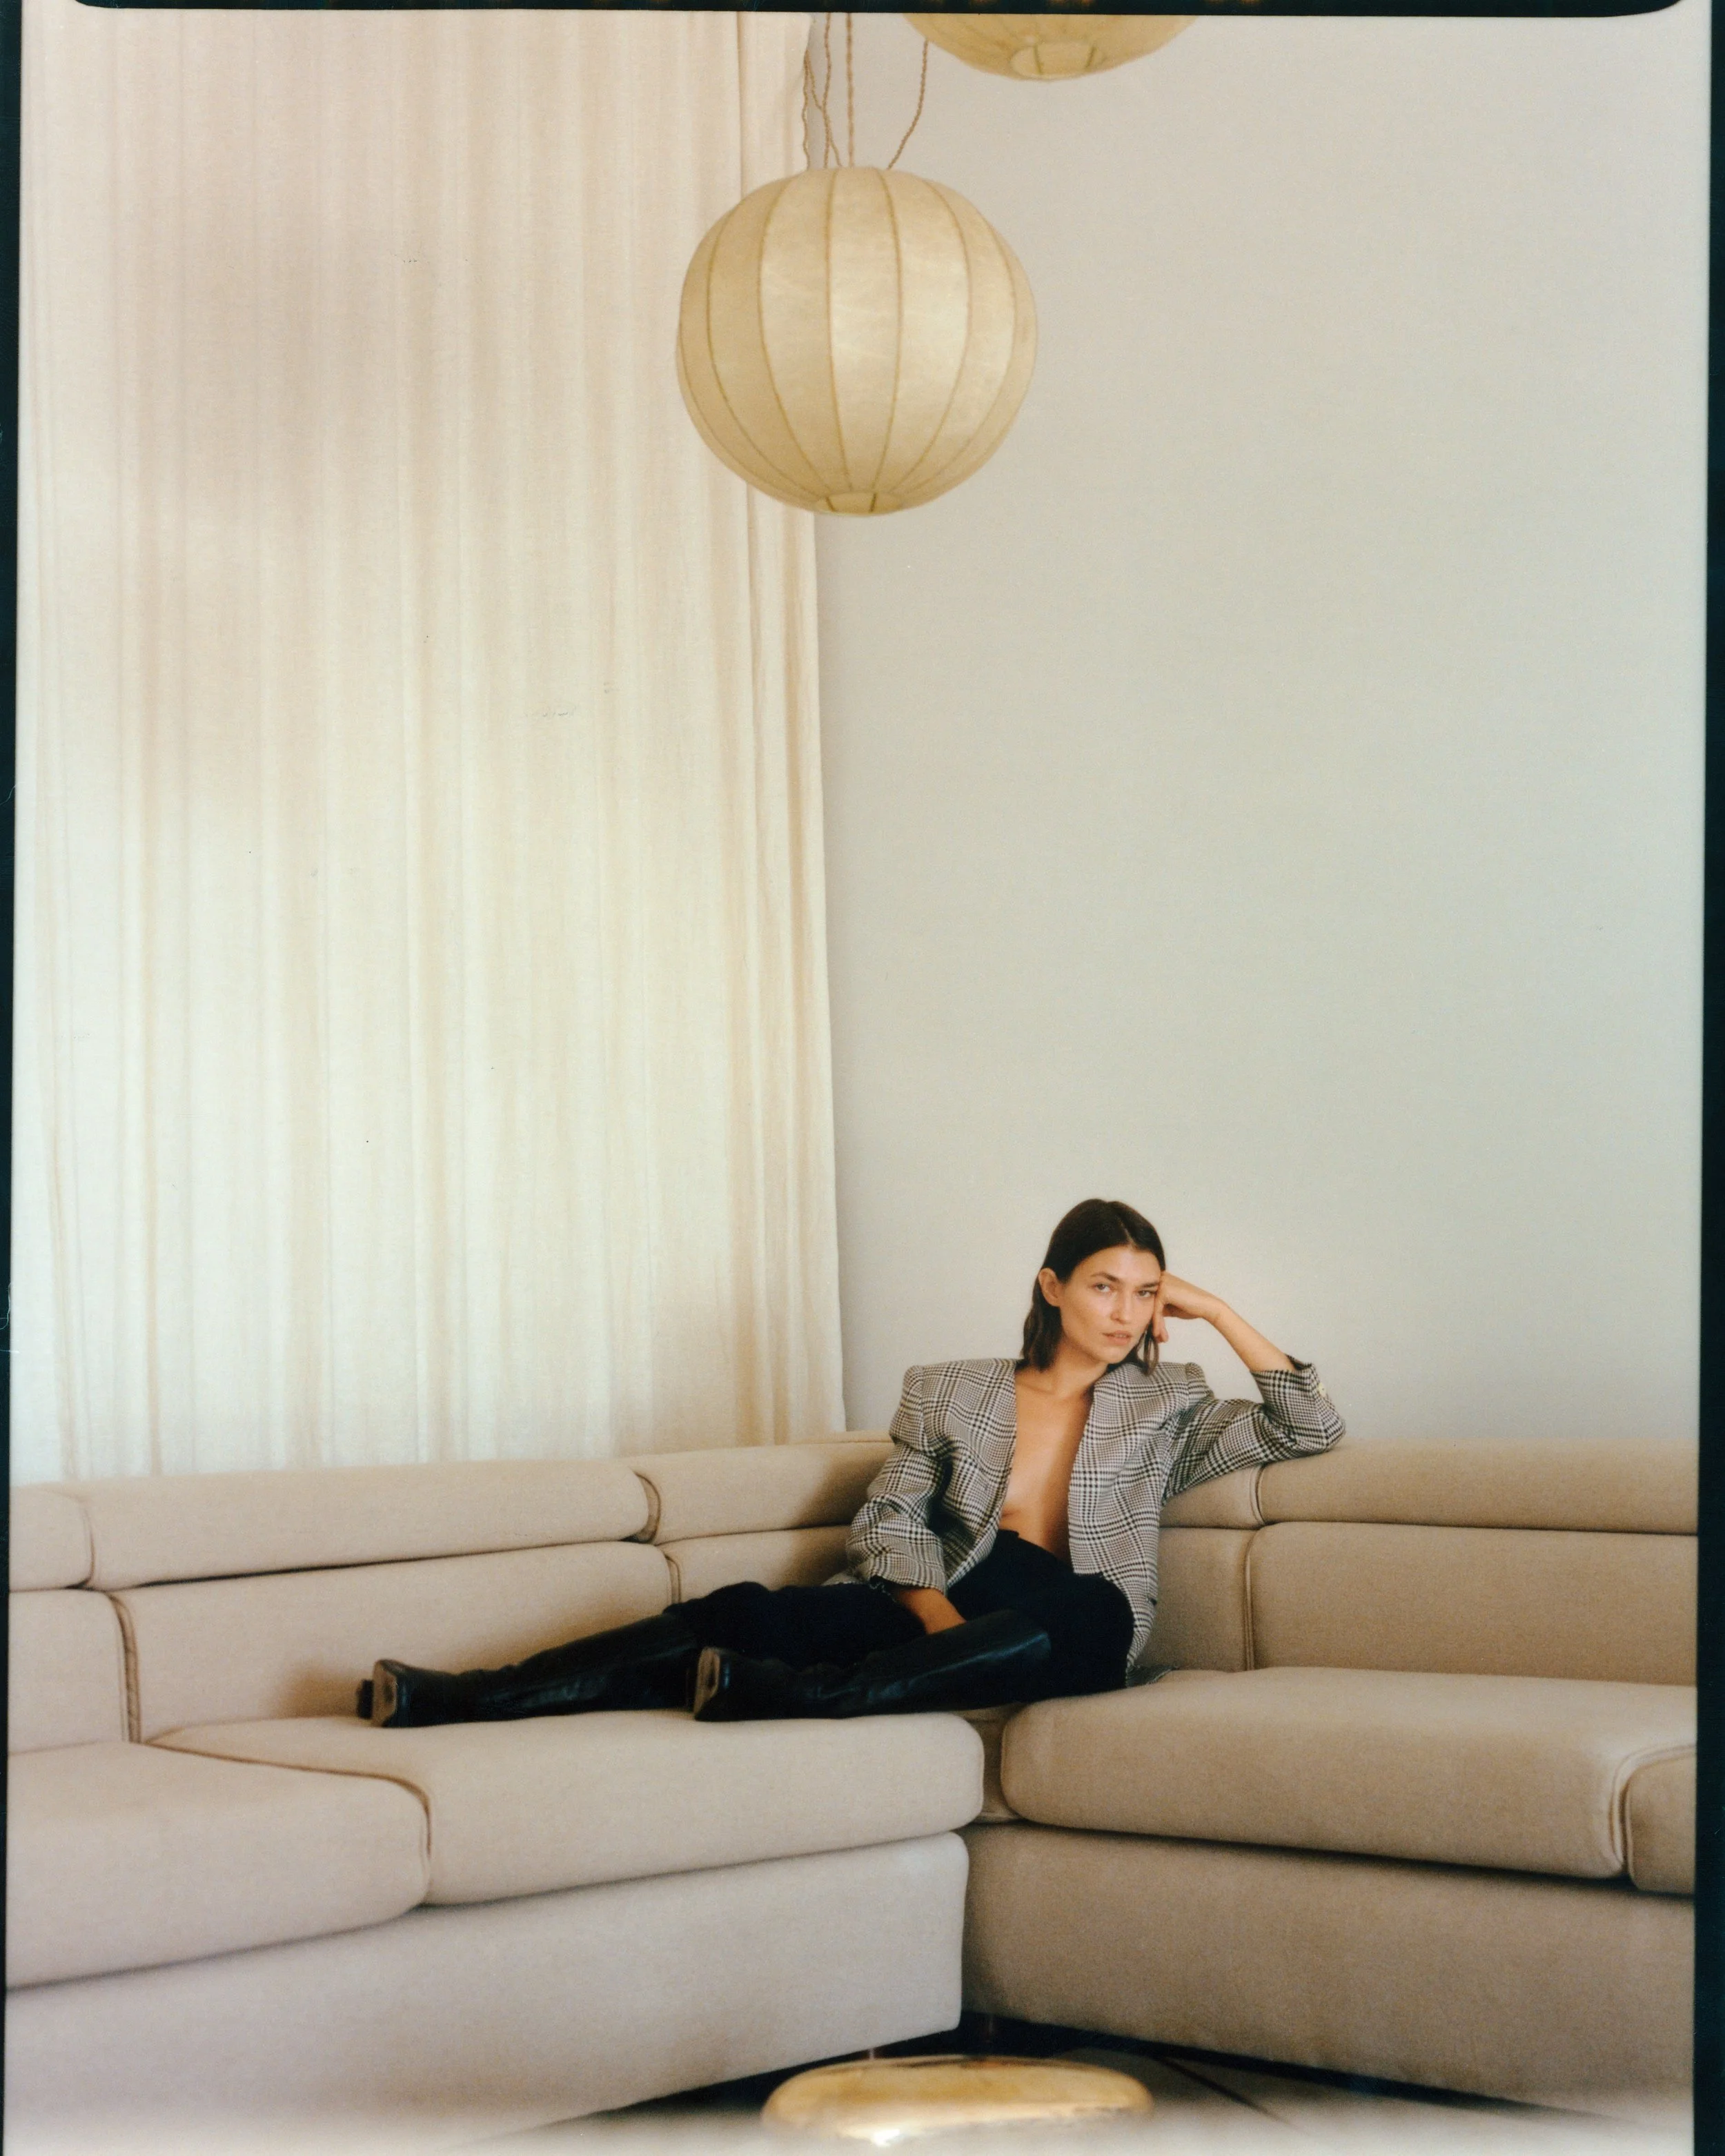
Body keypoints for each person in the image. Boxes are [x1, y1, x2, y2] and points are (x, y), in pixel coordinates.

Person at [359, 1198, 1344, 1729]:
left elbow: (1308, 1426)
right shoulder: (950, 1390)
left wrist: (1215, 1311)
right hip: (946, 1594)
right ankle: (469, 1695)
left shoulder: (1170, 1407)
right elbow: (889, 1521)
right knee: (743, 1612)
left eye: (1145, 1293)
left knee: (1092, 1609)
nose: (1126, 1313)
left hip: (1073, 1612)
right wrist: (932, 1617)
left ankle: (803, 1696)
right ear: (1051, 1286)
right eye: (1103, 1286)